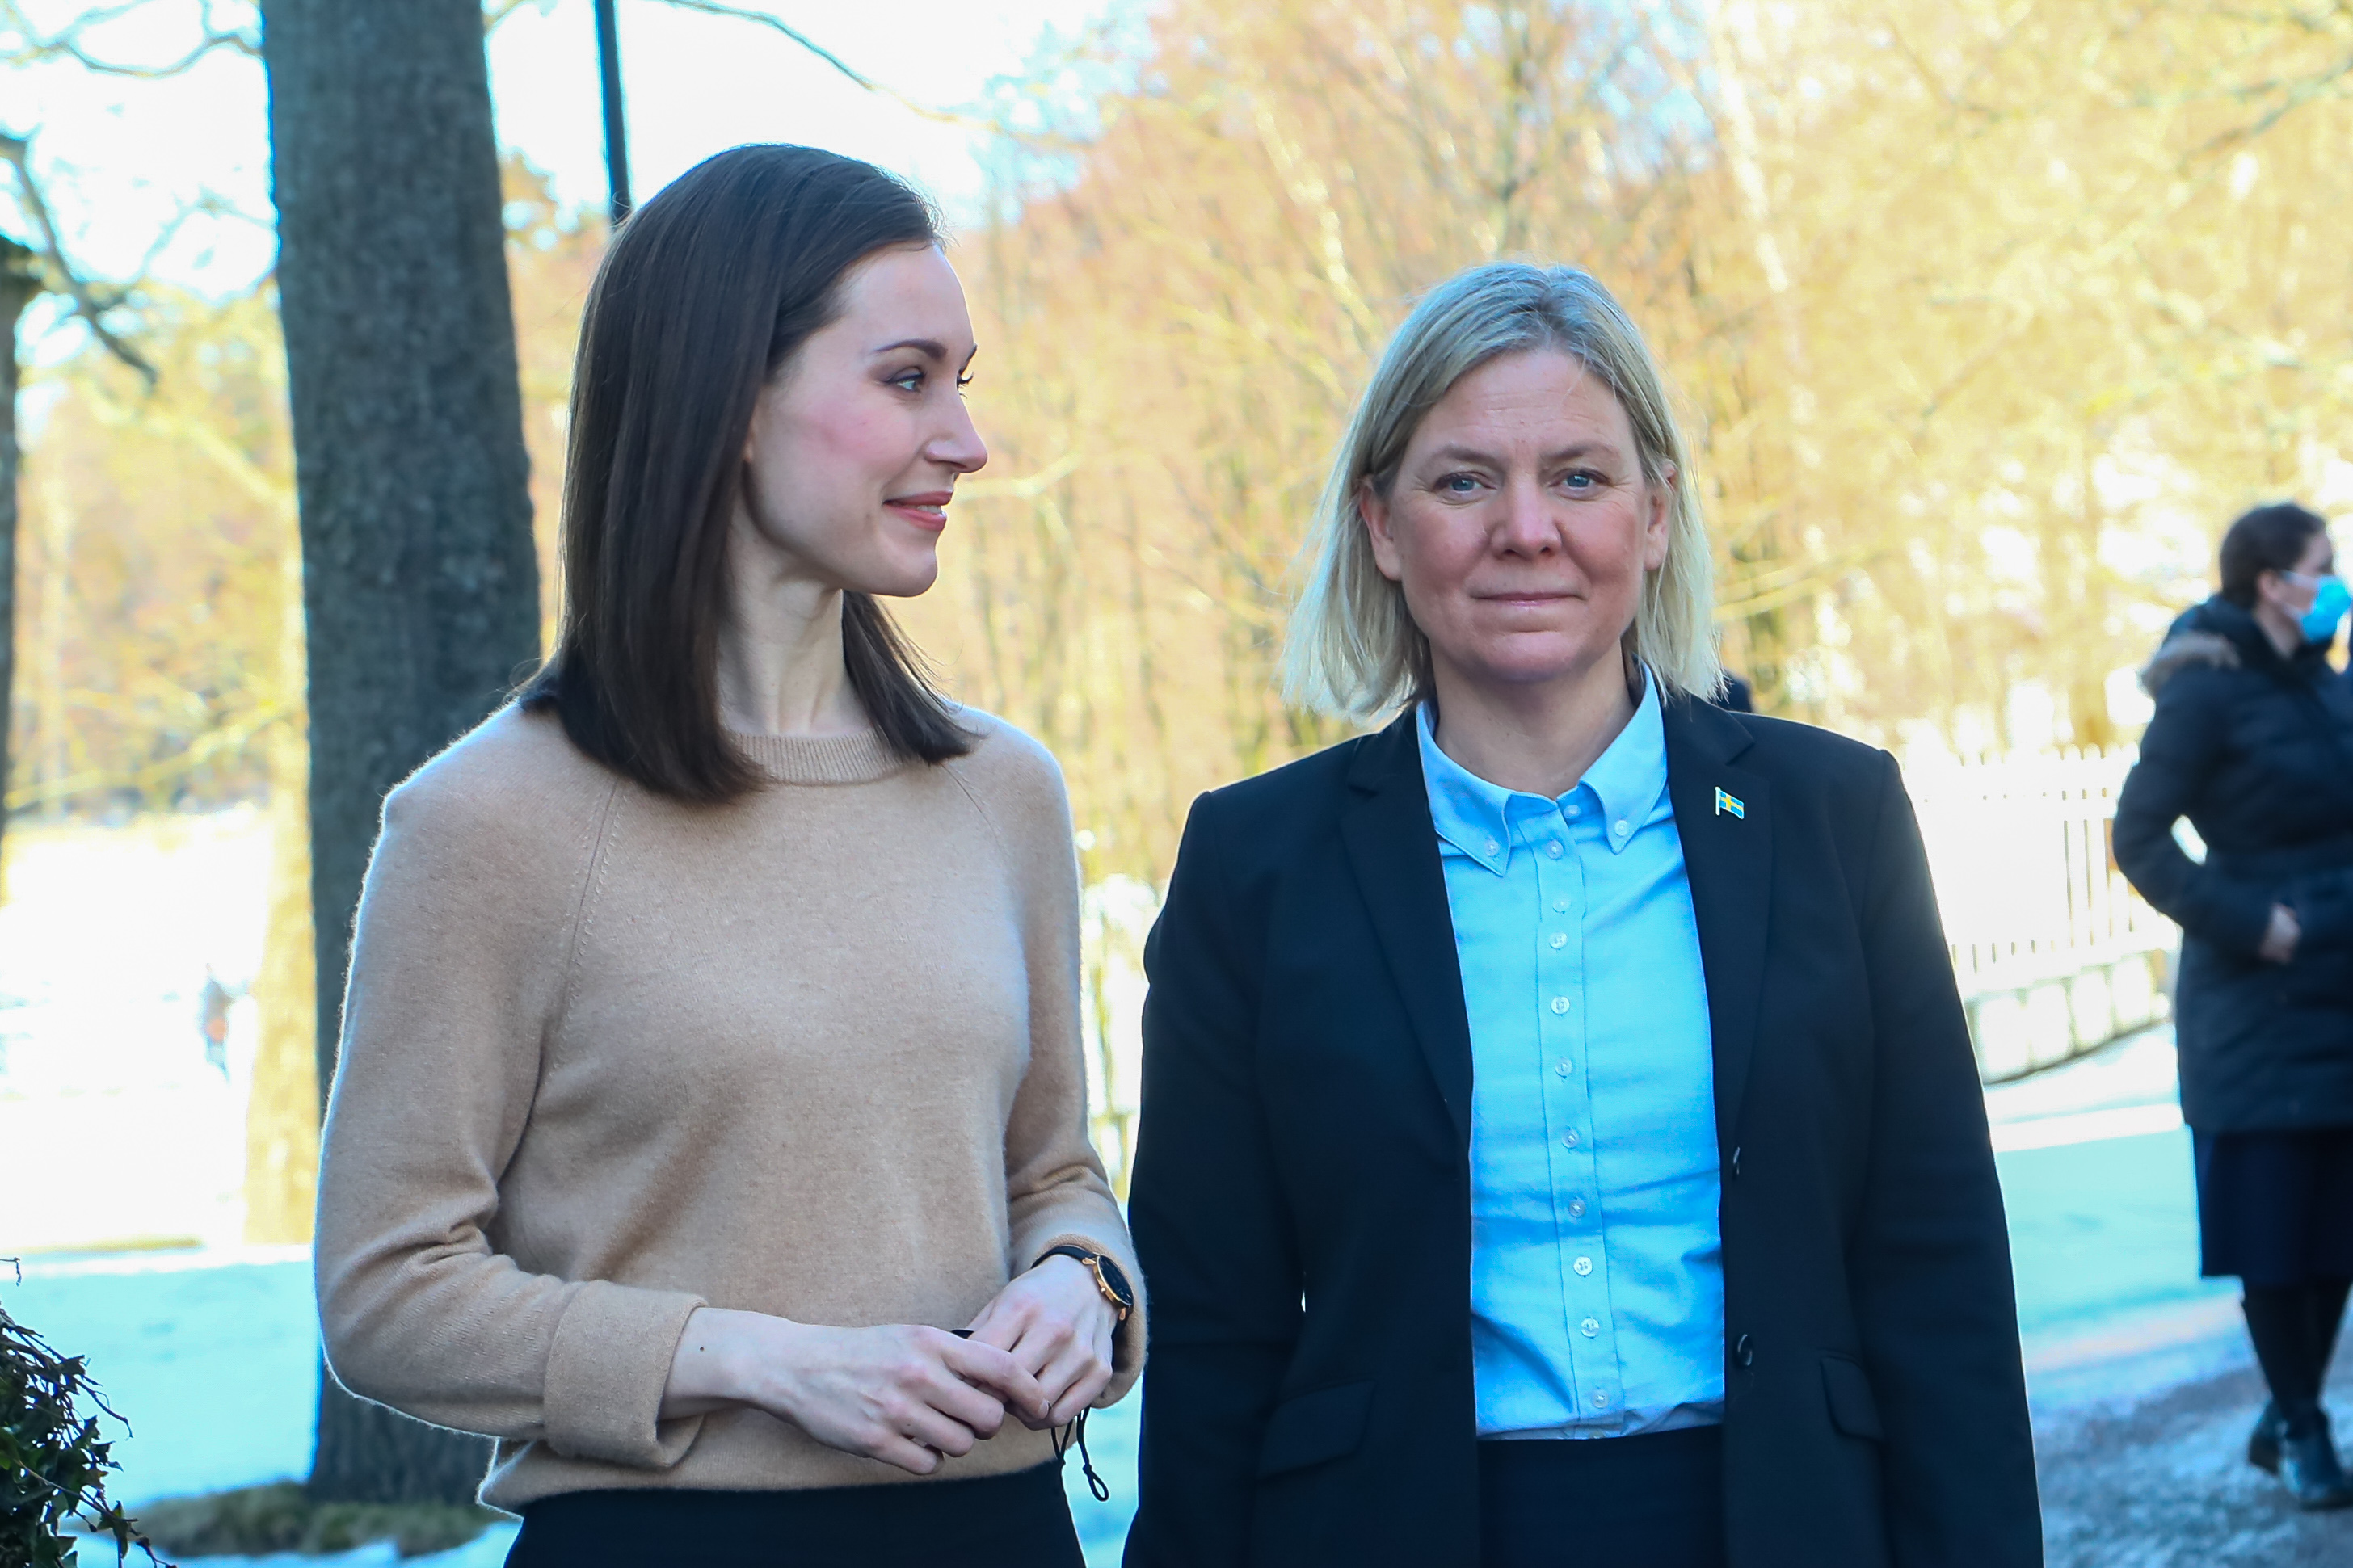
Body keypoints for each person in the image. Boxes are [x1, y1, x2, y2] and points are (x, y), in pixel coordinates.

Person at [1122, 261, 2041, 1566]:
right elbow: (1216, 1319)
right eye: (1461, 481)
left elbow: (1936, 1270)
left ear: (1654, 514)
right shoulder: (1255, 863)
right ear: (1380, 525)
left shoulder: (1833, 818)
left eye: (1577, 476)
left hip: (1780, 1523)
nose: (1525, 528)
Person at [310, 145, 1143, 1566]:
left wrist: (1085, 1287)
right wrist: (749, 1357)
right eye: (905, 378)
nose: (965, 438)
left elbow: (1053, 1174)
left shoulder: (998, 793)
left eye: (963, 378)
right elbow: (387, 1292)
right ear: (731, 401)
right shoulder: (486, 822)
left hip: (1000, 1534)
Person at [2115, 501, 2353, 1511]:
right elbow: (2138, 838)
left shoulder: (2322, 688)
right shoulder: (2203, 695)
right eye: (2322, 567)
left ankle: (2284, 1403)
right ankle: (2302, 1426)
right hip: (2253, 1012)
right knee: (2273, 1236)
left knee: (2336, 1230)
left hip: (2341, 997)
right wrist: (2251, 922)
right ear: (2271, 581)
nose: (2335, 583)